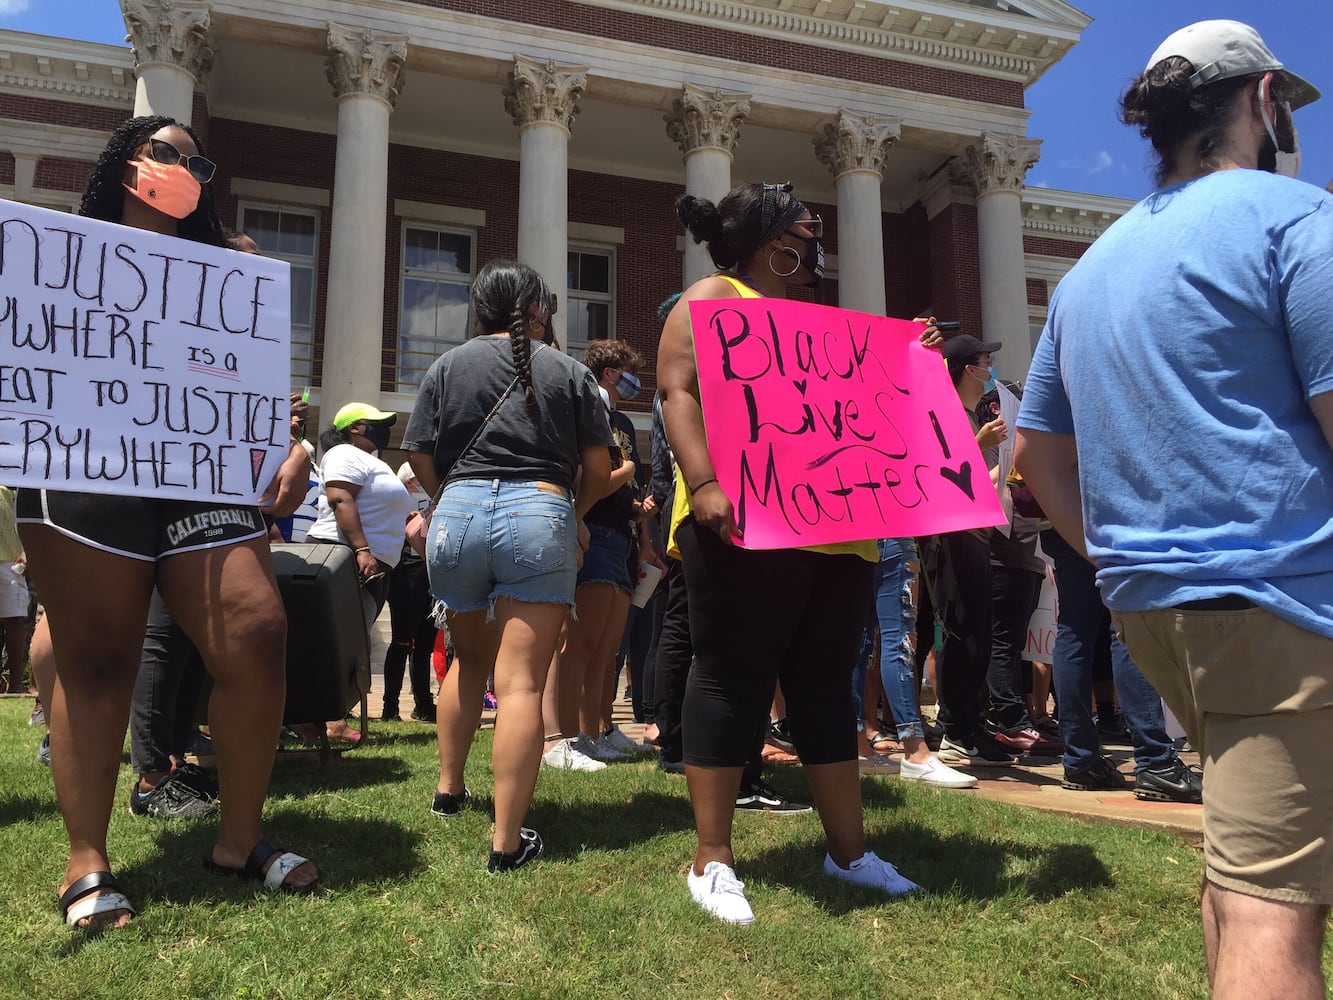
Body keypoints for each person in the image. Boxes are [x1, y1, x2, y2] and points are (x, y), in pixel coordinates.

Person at [1015, 21, 1330, 998]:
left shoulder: (1088, 271)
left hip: (1154, 610)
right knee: (1275, 908)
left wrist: (1114, 553)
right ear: (1263, 100)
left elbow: (1034, 458)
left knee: (1240, 872)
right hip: (1286, 603)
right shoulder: (1297, 218)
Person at [16, 115, 319, 930]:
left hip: (201, 475)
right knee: (99, 657)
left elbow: (258, 394)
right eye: (168, 154)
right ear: (124, 164)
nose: (187, 169)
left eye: (198, 161)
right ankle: (88, 862)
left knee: (256, 631)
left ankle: (239, 839)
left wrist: (295, 449)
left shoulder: (227, 275)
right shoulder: (53, 256)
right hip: (81, 466)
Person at [658, 182, 923, 927]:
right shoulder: (713, 294)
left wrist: (914, 366)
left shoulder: (818, 323)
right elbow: (676, 389)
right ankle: (712, 858)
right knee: (731, 675)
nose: (817, 239)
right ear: (773, 241)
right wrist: (703, 480)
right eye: (807, 228)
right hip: (740, 522)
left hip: (840, 533)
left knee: (822, 686)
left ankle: (848, 854)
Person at [405, 260, 613, 873]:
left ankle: (448, 788)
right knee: (520, 681)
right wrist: (577, 510)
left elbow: (419, 449)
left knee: (467, 660)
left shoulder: (446, 366)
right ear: (539, 309)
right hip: (540, 510)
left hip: (458, 513)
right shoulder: (568, 371)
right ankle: (506, 842)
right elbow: (598, 471)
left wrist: (449, 501)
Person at [919, 335, 1017, 768]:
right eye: (984, 360)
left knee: (978, 628)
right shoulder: (941, 412)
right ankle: (958, 727)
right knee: (960, 629)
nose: (990, 365)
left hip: (976, 532)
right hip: (949, 535)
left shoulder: (968, 413)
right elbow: (935, 469)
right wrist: (977, 443)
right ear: (964, 368)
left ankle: (971, 723)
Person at [380, 463, 439, 723]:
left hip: (429, 572)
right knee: (402, 640)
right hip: (406, 571)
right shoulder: (399, 501)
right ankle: (390, 707)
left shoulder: (435, 495)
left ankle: (423, 704)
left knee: (425, 643)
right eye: (417, 479)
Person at [0, 485, 29, 695]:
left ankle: (16, 684)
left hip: (11, 561)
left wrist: (28, 551)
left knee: (16, 621)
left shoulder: (21, 485)